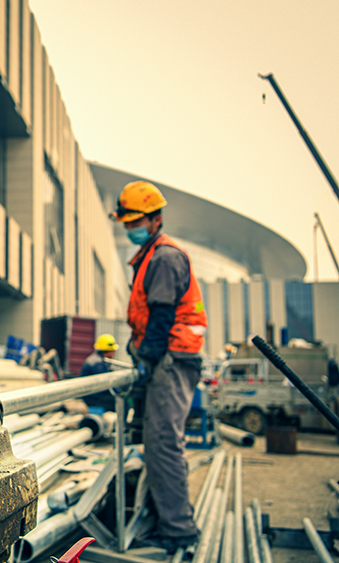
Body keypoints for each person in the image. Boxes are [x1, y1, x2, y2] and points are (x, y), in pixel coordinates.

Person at [110, 180, 207, 553]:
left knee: (163, 443)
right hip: (166, 354)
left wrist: (147, 359)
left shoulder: (165, 257)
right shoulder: (151, 254)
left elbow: (163, 315)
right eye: (126, 222)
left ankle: (179, 530)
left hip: (172, 355)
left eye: (134, 221)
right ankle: (155, 515)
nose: (129, 228)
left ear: (155, 219)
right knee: (151, 440)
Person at [79, 334, 119, 412]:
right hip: (93, 398)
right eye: (112, 351)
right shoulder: (97, 364)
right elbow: (107, 383)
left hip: (93, 395)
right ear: (107, 351)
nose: (113, 353)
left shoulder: (99, 360)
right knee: (119, 401)